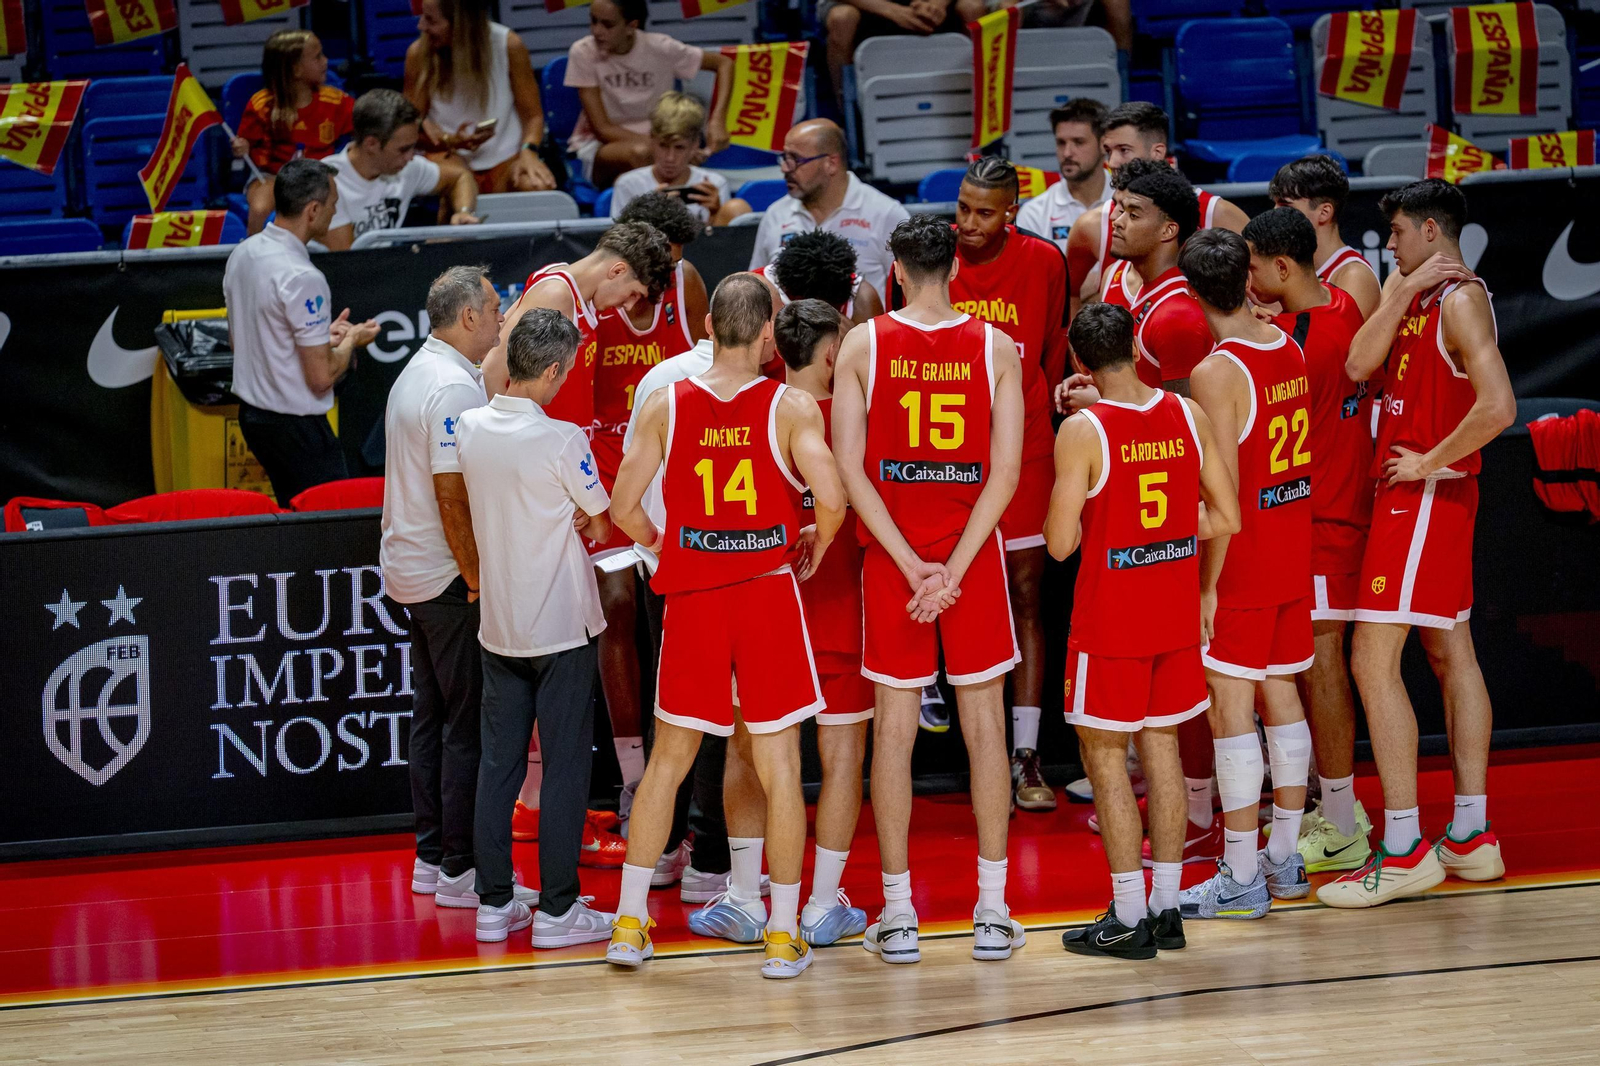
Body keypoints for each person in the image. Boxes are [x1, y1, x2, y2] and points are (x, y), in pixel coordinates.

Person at [606, 273, 847, 980]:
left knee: (668, 764)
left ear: (707, 325)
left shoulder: (663, 403)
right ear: (770, 334)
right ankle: (780, 936)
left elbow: (622, 506)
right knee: (779, 768)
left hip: (696, 599)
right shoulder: (791, 405)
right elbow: (830, 497)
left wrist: (662, 543)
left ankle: (627, 926)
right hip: (766, 596)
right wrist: (817, 539)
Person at [832, 214, 1027, 963]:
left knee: (894, 732)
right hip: (971, 561)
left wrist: (914, 568)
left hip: (894, 562)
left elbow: (852, 470)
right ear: (956, 269)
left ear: (899, 272)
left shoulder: (863, 342)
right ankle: (991, 908)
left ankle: (900, 912)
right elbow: (1005, 474)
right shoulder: (994, 345)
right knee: (985, 733)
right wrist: (952, 568)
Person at [1320, 179, 1514, 908]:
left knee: (1371, 662)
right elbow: (1358, 365)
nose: (1391, 245)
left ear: (1431, 230)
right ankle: (1471, 835)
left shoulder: (1461, 300)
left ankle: (1402, 848)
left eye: (1398, 233)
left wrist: (1430, 460)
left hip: (1424, 497)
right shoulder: (1417, 297)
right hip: (1420, 497)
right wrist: (1400, 289)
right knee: (1449, 651)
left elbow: (1500, 407)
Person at [1047, 304, 1239, 959]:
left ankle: (1128, 916)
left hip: (1111, 623)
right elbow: (1227, 515)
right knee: (1163, 755)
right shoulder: (1188, 414)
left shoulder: (1082, 431)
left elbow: (1058, 544)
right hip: (1174, 614)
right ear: (1137, 347)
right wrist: (1164, 535)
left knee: (1105, 762)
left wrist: (1116, 524)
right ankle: (1164, 908)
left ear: (1080, 362)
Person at [892, 157, 1068, 812]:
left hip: (1023, 456)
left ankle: (1025, 756)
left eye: (983, 212)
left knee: (1025, 594)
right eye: (962, 207)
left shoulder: (1046, 263)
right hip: (940, 468)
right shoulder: (927, 260)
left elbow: (1047, 356)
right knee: (930, 592)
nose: (967, 223)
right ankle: (922, 746)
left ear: (1012, 213)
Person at [1060, 161, 1221, 853]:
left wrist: (1099, 418)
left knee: (1191, 713)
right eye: (1115, 206)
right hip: (1147, 536)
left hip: (1155, 545)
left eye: (1130, 211)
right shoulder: (1130, 287)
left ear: (1171, 229)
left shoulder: (1180, 316)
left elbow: (1190, 427)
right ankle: (1173, 853)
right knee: (1164, 725)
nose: (1114, 219)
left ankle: (1203, 818)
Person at [455, 308, 617, 948]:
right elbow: (601, 523)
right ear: (551, 370)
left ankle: (495, 903)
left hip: (500, 626)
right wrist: (580, 519)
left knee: (499, 764)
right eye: (566, 370)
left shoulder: (469, 427)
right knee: (567, 768)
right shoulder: (563, 440)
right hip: (561, 627)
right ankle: (557, 910)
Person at [1177, 228, 1315, 921]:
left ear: (1192, 292)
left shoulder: (1215, 370)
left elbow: (1222, 500)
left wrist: (1205, 585)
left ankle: (1238, 876)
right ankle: (1285, 860)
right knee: (1282, 692)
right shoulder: (1284, 342)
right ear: (1251, 281)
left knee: (1232, 707)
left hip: (1249, 556)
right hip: (1294, 543)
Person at [1242, 208, 1374, 875]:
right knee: (1311, 667)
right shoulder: (1344, 305)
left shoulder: (1299, 346)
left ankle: (1344, 821)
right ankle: (1338, 806)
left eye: (1255, 265)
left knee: (1321, 666)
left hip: (1320, 522)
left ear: (1284, 267)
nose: (1248, 276)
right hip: (1336, 510)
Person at [381, 265, 510, 909]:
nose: (500, 317)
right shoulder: (455, 389)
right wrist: (478, 576)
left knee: (431, 718)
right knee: (466, 725)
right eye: (492, 308)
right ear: (467, 317)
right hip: (443, 577)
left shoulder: (416, 372)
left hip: (410, 571)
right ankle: (461, 865)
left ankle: (431, 858)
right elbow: (451, 493)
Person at [588, 194, 708, 838]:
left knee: (674, 619)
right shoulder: (587, 296)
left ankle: (678, 769)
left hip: (671, 469)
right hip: (605, 466)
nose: (664, 279)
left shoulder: (685, 285)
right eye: (658, 266)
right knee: (617, 608)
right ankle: (635, 774)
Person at [223, 159, 378, 507]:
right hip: (297, 430)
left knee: (293, 521)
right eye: (333, 207)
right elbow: (321, 376)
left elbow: (244, 342)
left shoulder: (242, 254)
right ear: (312, 210)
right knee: (329, 531)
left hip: (254, 420)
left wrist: (322, 337)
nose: (335, 213)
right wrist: (352, 340)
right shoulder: (303, 277)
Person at [484, 220, 674, 438]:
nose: (629, 305)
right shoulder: (556, 295)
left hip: (565, 447)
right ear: (618, 270)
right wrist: (510, 444)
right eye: (634, 293)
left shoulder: (565, 285)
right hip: (542, 449)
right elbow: (492, 371)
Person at [1064, 102, 1249, 315]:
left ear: (1158, 152)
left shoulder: (1216, 214)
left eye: (1124, 150)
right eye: (1108, 151)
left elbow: (1263, 283)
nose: (1112, 162)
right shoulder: (1093, 224)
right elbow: (1069, 291)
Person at [564, 0, 733, 189]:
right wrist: (667, 150)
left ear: (631, 26)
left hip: (661, 143)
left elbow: (724, 64)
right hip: (601, 147)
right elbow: (602, 129)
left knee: (634, 178)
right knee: (643, 154)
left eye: (607, 24)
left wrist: (717, 120)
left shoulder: (661, 47)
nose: (596, 31)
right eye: (593, 21)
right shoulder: (583, 52)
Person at [405, 0, 557, 194]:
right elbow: (408, 126)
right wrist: (447, 139)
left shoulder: (510, 45)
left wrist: (528, 151)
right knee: (459, 189)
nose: (421, 26)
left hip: (506, 157)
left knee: (538, 185)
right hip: (447, 155)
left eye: (430, 20)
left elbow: (533, 116)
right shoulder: (417, 54)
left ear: (461, 24)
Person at [749, 119, 909, 298]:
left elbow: (910, 293)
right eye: (784, 158)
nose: (785, 168)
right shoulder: (775, 215)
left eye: (795, 159)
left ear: (831, 163)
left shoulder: (886, 214)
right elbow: (756, 290)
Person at [323, 90, 480, 251]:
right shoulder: (326, 182)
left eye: (413, 147)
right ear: (371, 144)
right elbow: (348, 263)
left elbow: (461, 177)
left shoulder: (406, 168)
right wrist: (423, 253)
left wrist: (463, 212)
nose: (411, 157)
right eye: (403, 150)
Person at [232, 30, 353, 236]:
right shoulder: (262, 105)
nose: (326, 61)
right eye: (317, 57)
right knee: (260, 209)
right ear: (296, 69)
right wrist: (241, 147)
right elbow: (246, 149)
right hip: (273, 177)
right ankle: (255, 258)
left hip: (323, 177)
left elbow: (363, 128)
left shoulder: (336, 101)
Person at [1268, 155, 1382, 320]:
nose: (1274, 214)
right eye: (1275, 204)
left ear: (1324, 212)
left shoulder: (1354, 276)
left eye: (1285, 205)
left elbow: (1331, 343)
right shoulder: (1289, 269)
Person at [610, 92, 750, 226]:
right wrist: (650, 214)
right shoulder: (628, 185)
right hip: (648, 250)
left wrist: (715, 215)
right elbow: (619, 245)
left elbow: (722, 246)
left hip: (703, 249)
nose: (670, 158)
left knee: (737, 208)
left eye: (679, 148)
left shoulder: (715, 184)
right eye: (663, 146)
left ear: (695, 145)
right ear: (652, 140)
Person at [821, 0, 985, 110]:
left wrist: (936, 4)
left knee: (972, 8)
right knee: (842, 18)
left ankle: (981, 108)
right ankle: (848, 116)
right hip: (866, 5)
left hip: (930, 6)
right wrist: (894, 11)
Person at [1016, 98, 1111, 253]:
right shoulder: (1034, 214)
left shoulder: (1128, 204)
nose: (1067, 153)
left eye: (1078, 142)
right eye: (1061, 143)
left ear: (1104, 145)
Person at [754, 229, 885, 333]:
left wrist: (853, 347)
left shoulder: (861, 298)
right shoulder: (753, 292)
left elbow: (876, 363)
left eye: (828, 304)